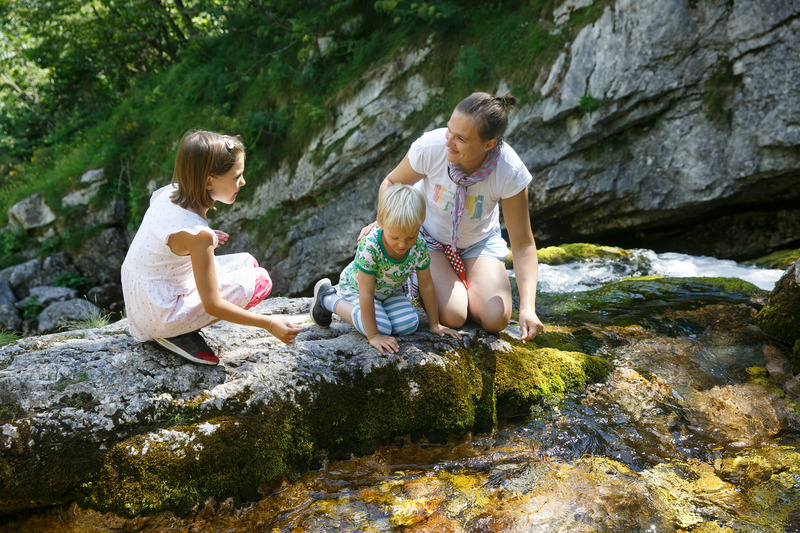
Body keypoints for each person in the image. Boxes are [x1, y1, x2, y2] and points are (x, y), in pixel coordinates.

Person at [361, 92, 544, 340]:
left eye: (461, 138)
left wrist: (528, 308)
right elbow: (391, 182)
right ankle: (415, 279)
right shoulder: (430, 147)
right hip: (426, 237)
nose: (448, 142)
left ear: (488, 144)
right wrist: (385, 223)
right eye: (449, 130)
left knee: (495, 319)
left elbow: (523, 244)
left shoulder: (509, 170)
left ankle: (464, 283)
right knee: (454, 316)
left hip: (478, 242)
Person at [121, 130, 302, 365]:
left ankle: (174, 327)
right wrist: (268, 324)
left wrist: (198, 241)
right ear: (209, 181)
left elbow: (166, 237)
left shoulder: (170, 192)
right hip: (159, 314)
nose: (243, 182)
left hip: (142, 297)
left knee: (248, 262)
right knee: (261, 280)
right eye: (236, 176)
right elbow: (213, 304)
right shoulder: (198, 236)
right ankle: (177, 334)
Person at [310, 183, 462, 355]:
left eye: (410, 236)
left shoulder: (419, 245)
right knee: (381, 328)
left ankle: (378, 313)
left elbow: (426, 285)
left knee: (410, 324)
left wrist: (435, 324)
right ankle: (328, 298)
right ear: (380, 223)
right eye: (395, 237)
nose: (403, 244)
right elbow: (366, 293)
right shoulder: (371, 246)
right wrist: (373, 335)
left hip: (389, 292)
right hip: (357, 289)